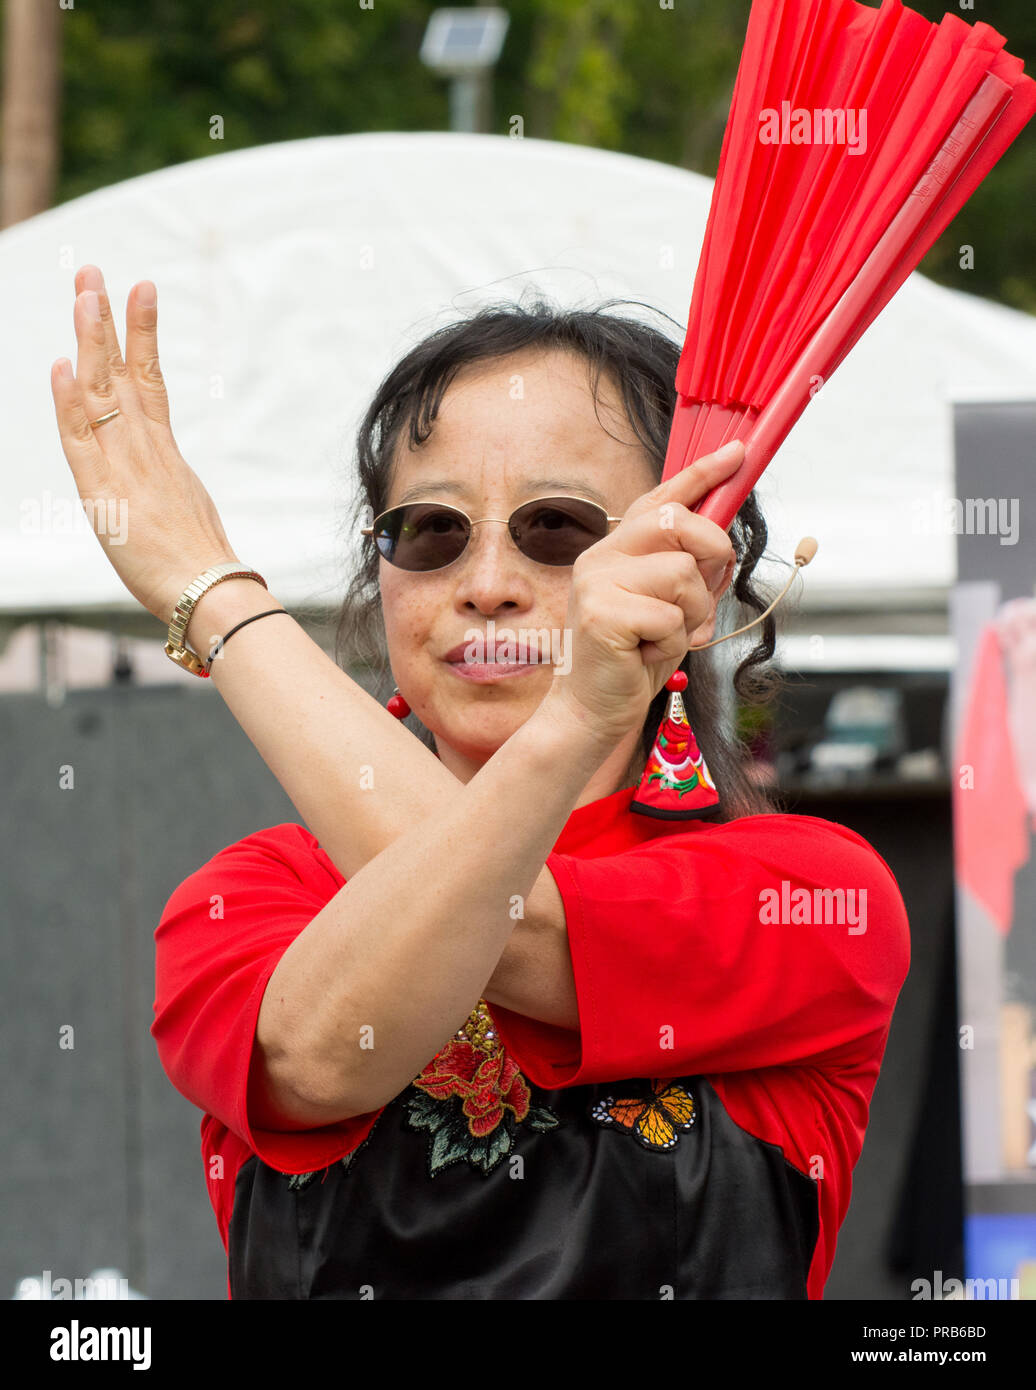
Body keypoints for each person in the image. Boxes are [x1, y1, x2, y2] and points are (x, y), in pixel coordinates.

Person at [51, 266, 910, 1300]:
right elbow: (322, 1059)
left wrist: (216, 598)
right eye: (431, 530)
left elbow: (522, 928)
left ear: (690, 574)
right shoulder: (257, 892)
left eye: (557, 528)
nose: (486, 582)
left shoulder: (806, 890)